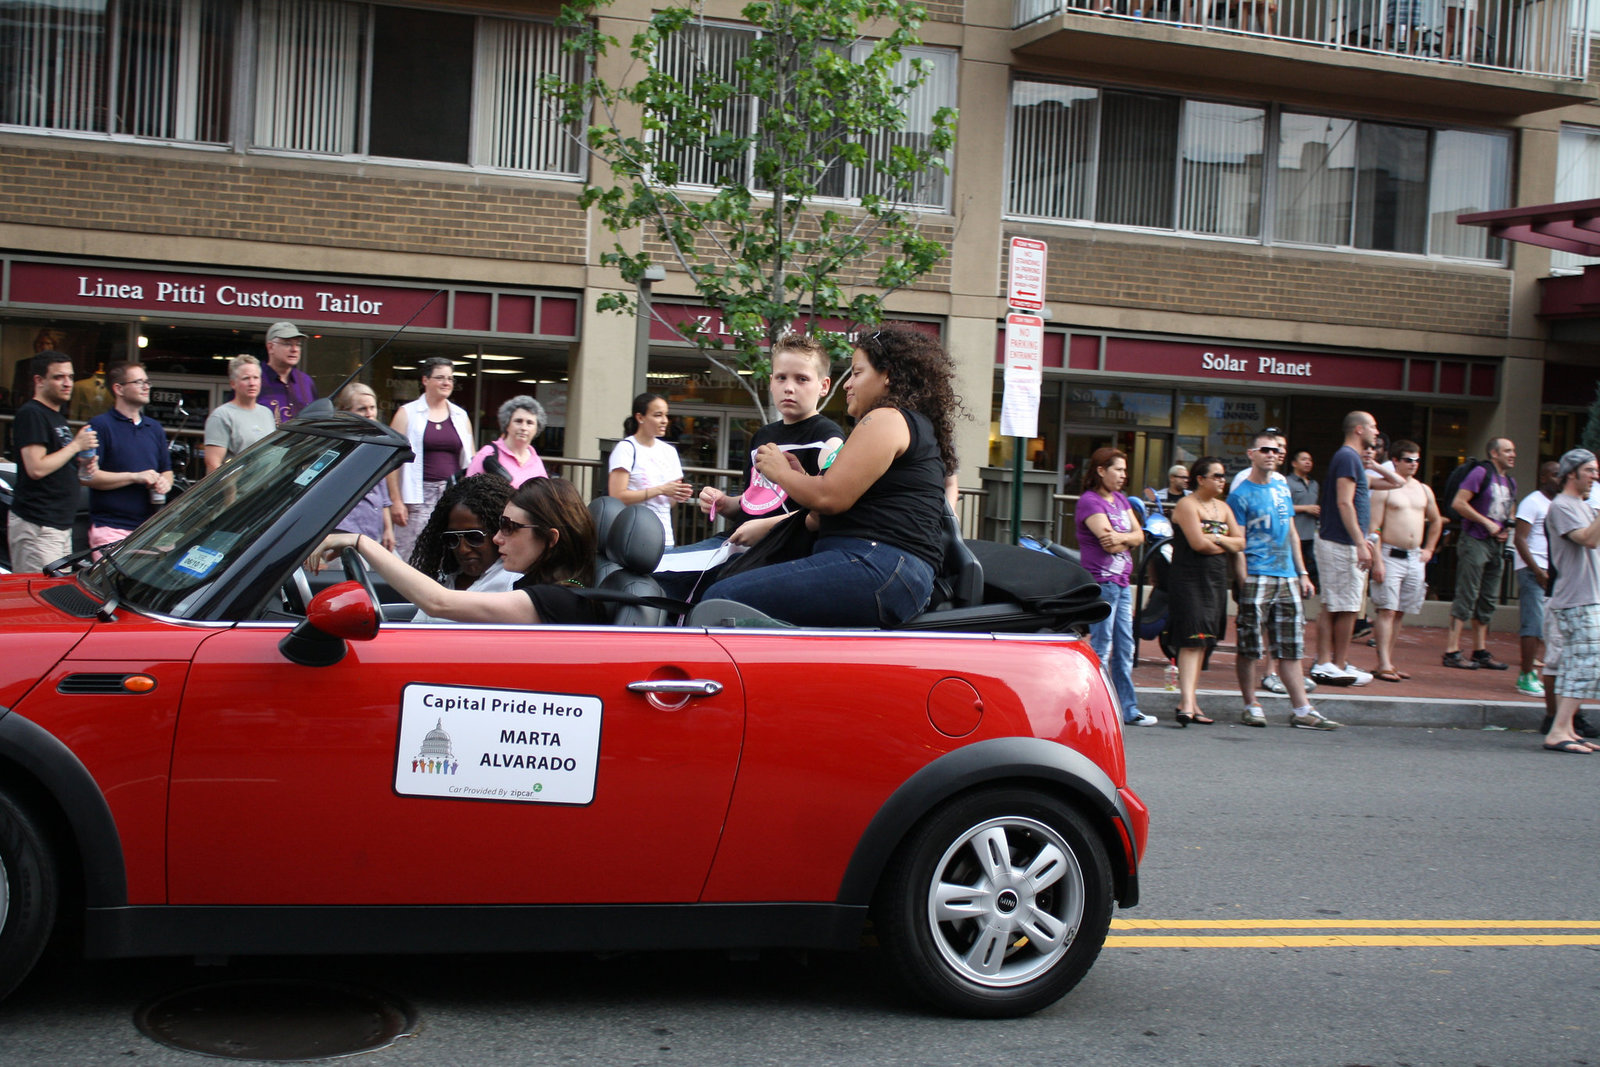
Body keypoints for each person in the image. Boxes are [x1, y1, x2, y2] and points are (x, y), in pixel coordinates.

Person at [701, 327, 960, 628]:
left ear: (887, 375)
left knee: (721, 600)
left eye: (857, 373)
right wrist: (802, 479)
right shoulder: (902, 423)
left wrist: (781, 472)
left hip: (879, 565)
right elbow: (821, 510)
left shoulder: (887, 418)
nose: (847, 384)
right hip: (885, 568)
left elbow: (829, 497)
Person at [316, 476, 604, 626]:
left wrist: (361, 543)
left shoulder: (557, 599)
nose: (497, 539)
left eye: (509, 527)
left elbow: (439, 603)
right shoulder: (550, 590)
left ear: (550, 538)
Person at [1227, 432, 1334, 728]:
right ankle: (1251, 704)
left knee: (1291, 647)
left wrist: (1302, 573)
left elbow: (1291, 532)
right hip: (1257, 574)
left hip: (1286, 574)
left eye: (1276, 451)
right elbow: (1238, 541)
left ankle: (1302, 709)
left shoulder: (1282, 489)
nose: (1271, 455)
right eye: (1265, 450)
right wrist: (1243, 579)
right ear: (1252, 453)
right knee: (1250, 646)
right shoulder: (1240, 494)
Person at [698, 334, 845, 547]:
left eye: (801, 379)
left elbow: (829, 504)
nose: (789, 387)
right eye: (781, 377)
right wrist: (723, 503)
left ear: (824, 386)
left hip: (783, 551)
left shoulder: (827, 438)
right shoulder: (762, 436)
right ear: (771, 382)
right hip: (734, 544)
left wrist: (768, 527)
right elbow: (754, 502)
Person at [1077, 447, 1156, 728]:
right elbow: (1104, 540)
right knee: (1102, 646)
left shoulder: (1121, 499)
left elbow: (1139, 535)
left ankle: (1128, 709)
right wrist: (1130, 538)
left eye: (1124, 470)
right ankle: (1092, 708)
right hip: (1103, 582)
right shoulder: (1089, 501)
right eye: (1118, 469)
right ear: (1101, 471)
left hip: (1122, 584)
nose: (1123, 475)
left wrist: (1126, 538)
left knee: (1125, 647)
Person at [1167, 457, 1245, 726]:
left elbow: (1240, 542)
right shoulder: (1187, 505)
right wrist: (1224, 543)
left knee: (1204, 642)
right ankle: (1187, 702)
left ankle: (1190, 700)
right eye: (1217, 476)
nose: (1222, 481)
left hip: (1214, 579)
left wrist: (1218, 539)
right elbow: (1198, 544)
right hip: (1189, 579)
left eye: (1224, 476)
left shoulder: (1223, 507)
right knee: (1191, 638)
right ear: (1200, 479)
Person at [1311, 411, 1383, 687]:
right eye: (1373, 427)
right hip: (1341, 542)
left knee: (1338, 604)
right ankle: (1333, 664)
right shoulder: (1347, 457)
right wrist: (1359, 543)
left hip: (1341, 541)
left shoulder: (1351, 458)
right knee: (1346, 606)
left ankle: (1330, 662)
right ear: (1359, 430)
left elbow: (1395, 482)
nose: (1377, 432)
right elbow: (1345, 502)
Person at [8, 351, 97, 573]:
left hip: (57, 526)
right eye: (59, 377)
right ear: (39, 380)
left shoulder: (55, 416)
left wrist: (84, 465)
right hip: (38, 525)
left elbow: (56, 465)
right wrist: (76, 445)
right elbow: (36, 468)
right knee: (39, 597)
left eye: (70, 376)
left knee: (52, 594)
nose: (68, 383)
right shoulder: (32, 414)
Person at [1538, 449, 1600, 753]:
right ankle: (1558, 730)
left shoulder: (1581, 505)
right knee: (1586, 665)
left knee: (1574, 664)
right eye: (1589, 470)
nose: (1594, 476)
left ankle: (1567, 729)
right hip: (1576, 598)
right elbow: (1588, 538)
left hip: (1586, 596)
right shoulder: (1562, 506)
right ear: (1571, 473)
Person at [1367, 440, 1441, 684]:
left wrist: (1429, 549)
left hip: (1414, 556)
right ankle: (1383, 663)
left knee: (1399, 611)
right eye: (1408, 460)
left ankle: (1388, 660)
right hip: (1390, 554)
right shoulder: (1385, 489)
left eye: (1417, 460)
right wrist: (1377, 560)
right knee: (1386, 609)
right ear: (1396, 461)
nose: (1413, 464)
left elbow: (1436, 520)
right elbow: (1374, 527)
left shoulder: (1423, 489)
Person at [387, 357, 473, 563]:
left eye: (451, 379)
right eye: (440, 378)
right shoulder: (407, 413)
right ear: (425, 380)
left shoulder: (460, 415)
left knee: (448, 551)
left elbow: (471, 460)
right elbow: (391, 461)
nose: (446, 383)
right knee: (411, 554)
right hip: (417, 497)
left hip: (452, 495)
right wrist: (396, 501)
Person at [406, 474, 519, 624]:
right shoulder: (446, 580)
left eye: (474, 537)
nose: (463, 549)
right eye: (452, 538)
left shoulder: (514, 582)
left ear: (497, 532)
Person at [1444, 437, 1516, 671]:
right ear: (1494, 453)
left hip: (1496, 543)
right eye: (1507, 451)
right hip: (1475, 540)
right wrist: (1486, 523)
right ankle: (1452, 650)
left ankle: (1480, 650)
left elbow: (1508, 511)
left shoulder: (1510, 482)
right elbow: (1459, 503)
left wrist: (1505, 528)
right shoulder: (1480, 473)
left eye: (1513, 451)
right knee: (1468, 592)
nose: (1512, 455)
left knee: (1488, 597)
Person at [85, 362, 172, 553]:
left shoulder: (154, 428)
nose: (146, 386)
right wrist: (135, 476)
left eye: (147, 382)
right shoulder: (100, 425)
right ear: (119, 389)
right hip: (111, 527)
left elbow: (167, 470)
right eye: (139, 382)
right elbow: (90, 477)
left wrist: (165, 482)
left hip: (150, 530)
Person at [608, 392, 692, 547]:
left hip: (664, 537)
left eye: (666, 415)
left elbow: (670, 501)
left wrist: (678, 493)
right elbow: (617, 496)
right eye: (658, 415)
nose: (664, 421)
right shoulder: (626, 448)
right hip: (633, 535)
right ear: (640, 417)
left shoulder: (669, 451)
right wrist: (661, 489)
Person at [1513, 461, 1561, 697]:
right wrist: (1537, 570)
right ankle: (1526, 674)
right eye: (1554, 474)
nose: (1558, 478)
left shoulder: (1560, 504)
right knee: (1533, 624)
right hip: (1533, 570)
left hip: (1552, 572)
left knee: (1546, 626)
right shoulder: (1533, 502)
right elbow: (1520, 539)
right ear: (1543, 477)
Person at [331, 384, 395, 552]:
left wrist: (388, 529)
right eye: (362, 409)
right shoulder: (339, 445)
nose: (369, 413)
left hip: (375, 531)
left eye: (372, 407)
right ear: (346, 411)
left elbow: (382, 492)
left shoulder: (378, 441)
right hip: (347, 531)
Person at [203, 355, 276, 473]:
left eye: (256, 377)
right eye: (246, 378)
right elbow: (213, 464)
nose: (252, 383)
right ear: (233, 383)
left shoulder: (267, 413)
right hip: (238, 490)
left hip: (267, 488)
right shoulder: (221, 416)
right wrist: (230, 491)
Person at [465, 396, 549, 487]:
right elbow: (467, 491)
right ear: (507, 424)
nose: (524, 428)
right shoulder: (487, 454)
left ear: (537, 429)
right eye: (518, 421)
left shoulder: (536, 461)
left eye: (529, 423)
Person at [258, 322, 317, 423]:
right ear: (270, 347)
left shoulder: (306, 381)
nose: (294, 349)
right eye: (287, 344)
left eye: (298, 344)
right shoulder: (255, 380)